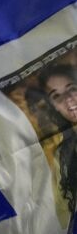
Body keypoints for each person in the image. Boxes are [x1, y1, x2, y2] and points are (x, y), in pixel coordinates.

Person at [39, 65, 77, 218]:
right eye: (56, 96)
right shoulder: (62, 155)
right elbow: (62, 215)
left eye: (72, 89)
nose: (68, 99)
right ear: (54, 107)